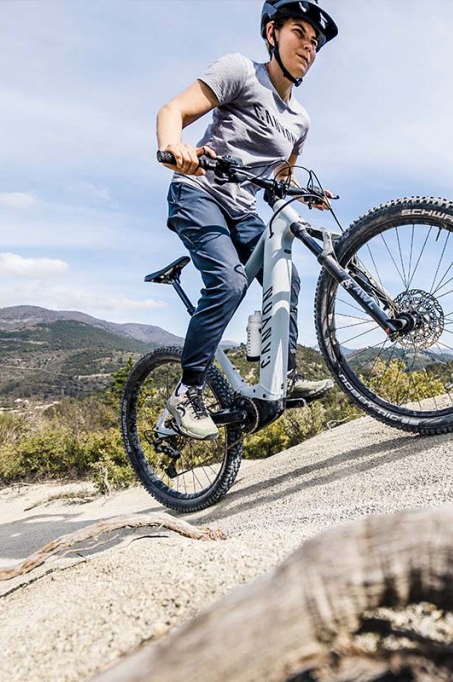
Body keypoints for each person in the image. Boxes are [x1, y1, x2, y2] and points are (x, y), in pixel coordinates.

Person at [156, 0, 338, 439]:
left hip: (242, 209)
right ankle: (188, 391)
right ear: (273, 32)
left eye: (315, 43)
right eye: (300, 33)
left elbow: (280, 175)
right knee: (230, 282)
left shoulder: (301, 120)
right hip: (199, 193)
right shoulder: (240, 71)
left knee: (286, 275)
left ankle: (282, 375)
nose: (308, 47)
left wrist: (305, 192)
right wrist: (175, 150)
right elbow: (171, 112)